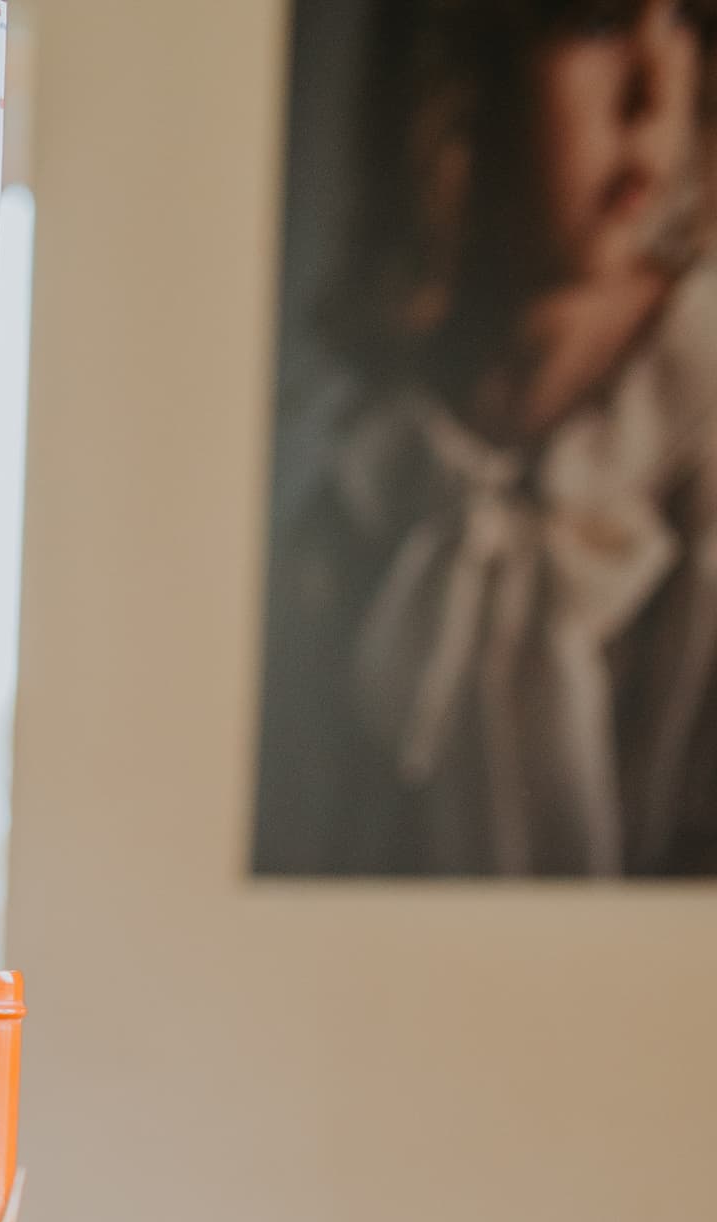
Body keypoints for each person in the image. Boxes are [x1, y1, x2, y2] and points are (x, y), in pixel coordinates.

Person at [262, 0, 717, 876]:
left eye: (687, 21)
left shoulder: (695, 426)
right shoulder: (348, 453)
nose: (654, 93)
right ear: (461, 67)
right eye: (596, 23)